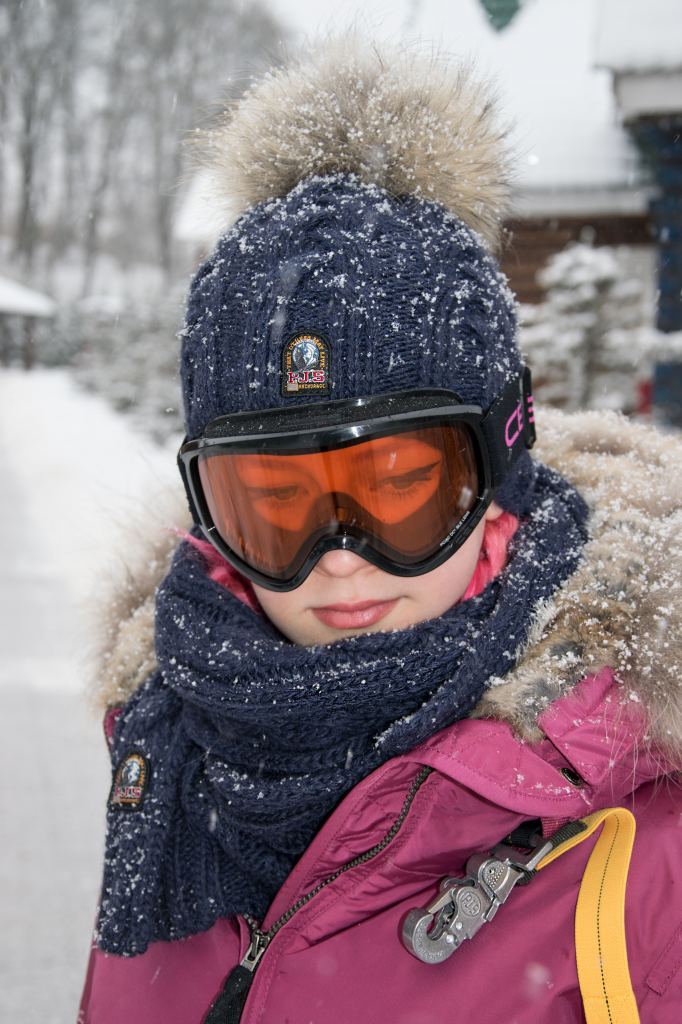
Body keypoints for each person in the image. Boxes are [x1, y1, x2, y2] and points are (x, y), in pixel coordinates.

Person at [78, 33, 682, 1024]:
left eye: (398, 484)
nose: (340, 558)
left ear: (498, 466)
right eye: (275, 504)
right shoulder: (164, 765)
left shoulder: (638, 842)